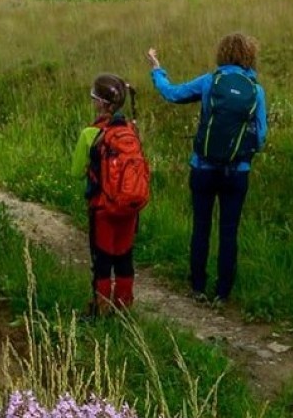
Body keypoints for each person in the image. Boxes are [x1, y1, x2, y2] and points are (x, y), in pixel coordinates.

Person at [147, 34, 267, 305]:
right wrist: (242, 152)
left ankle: (198, 287)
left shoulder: (209, 82)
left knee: (201, 227)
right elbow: (260, 137)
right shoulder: (256, 90)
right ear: (250, 56)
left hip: (202, 167)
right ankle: (223, 293)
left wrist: (157, 70)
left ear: (222, 54)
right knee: (229, 231)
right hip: (237, 172)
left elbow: (172, 93)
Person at [70, 74, 141, 317]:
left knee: (102, 261)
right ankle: (124, 308)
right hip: (129, 207)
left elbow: (76, 172)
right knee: (124, 258)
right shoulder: (131, 129)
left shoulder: (90, 134)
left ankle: (100, 310)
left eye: (93, 98)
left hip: (102, 208)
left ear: (101, 103)